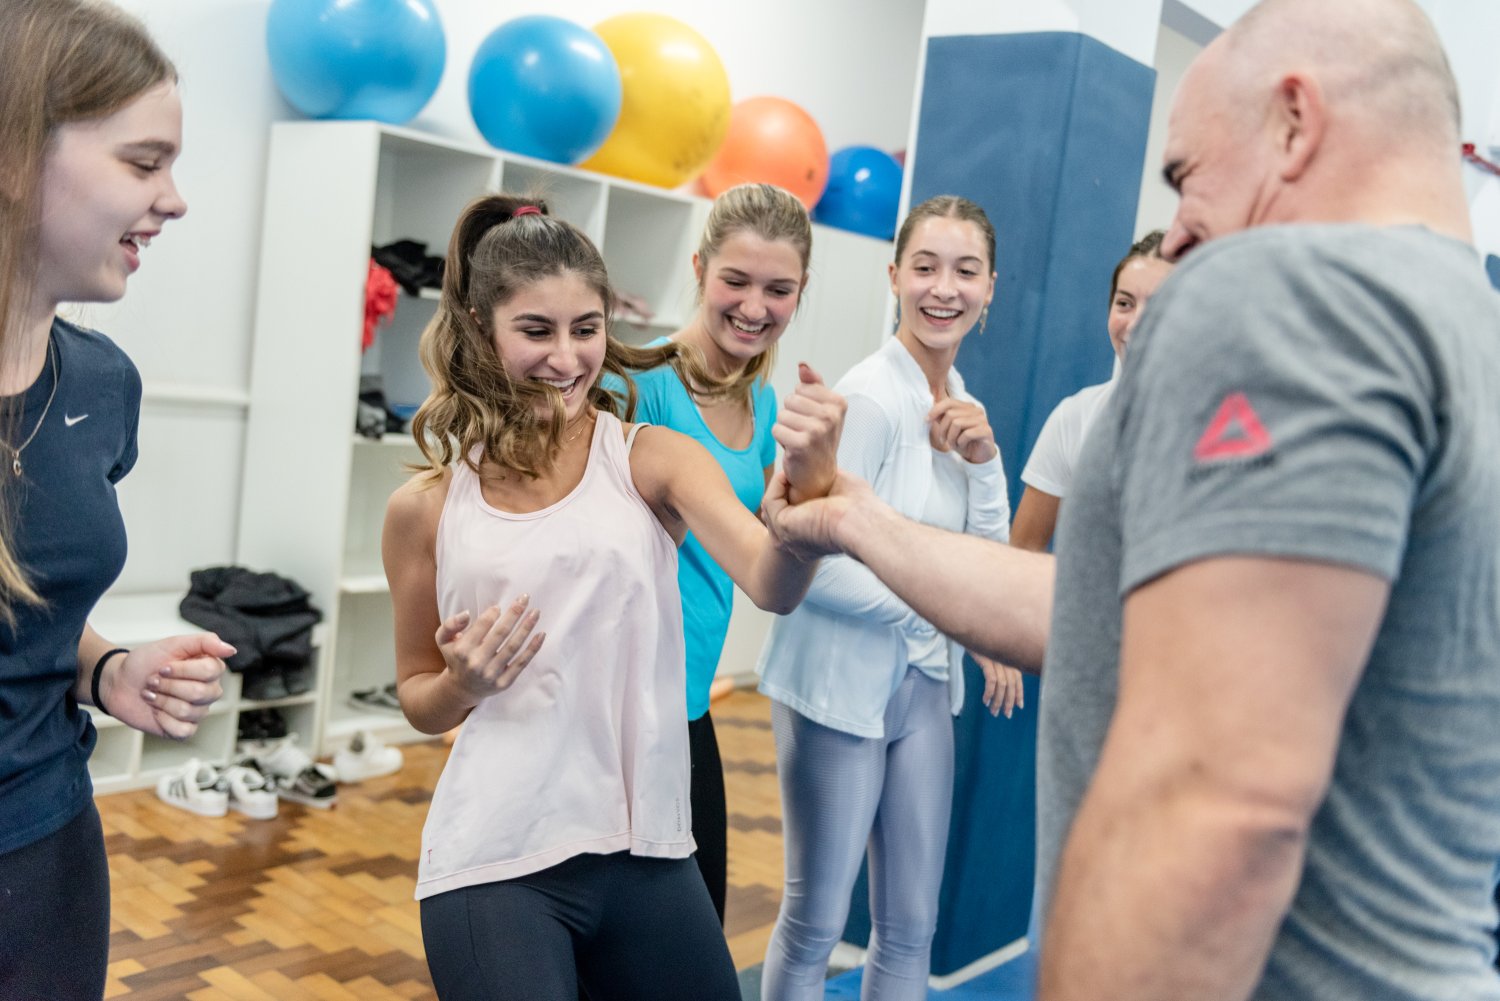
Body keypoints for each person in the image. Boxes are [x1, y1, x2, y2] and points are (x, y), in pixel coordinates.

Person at [761, 1, 1500, 998]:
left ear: (1295, 121)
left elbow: (1218, 793)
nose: (1180, 230)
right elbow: (1112, 613)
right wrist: (855, 517)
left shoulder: (1302, 300)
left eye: (1187, 176)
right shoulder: (1468, 326)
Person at [380, 194, 844, 1001]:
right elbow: (419, 696)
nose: (566, 358)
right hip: (496, 857)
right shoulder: (423, 508)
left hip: (643, 850)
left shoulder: (652, 458)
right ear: (483, 329)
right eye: (536, 330)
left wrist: (812, 491)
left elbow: (772, 582)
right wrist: (461, 684)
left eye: (586, 329)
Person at [0, 2, 232, 996]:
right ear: (16, 153)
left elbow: (29, 610)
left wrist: (105, 669)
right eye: (144, 162)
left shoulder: (102, 384)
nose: (173, 200)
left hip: (48, 847)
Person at [756, 195, 1020, 1001]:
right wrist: (942, 606)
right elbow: (812, 565)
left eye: (966, 271)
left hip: (923, 684)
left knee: (910, 925)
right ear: (895, 274)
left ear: (990, 287)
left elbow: (987, 558)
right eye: (926, 267)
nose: (944, 288)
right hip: (836, 686)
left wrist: (984, 460)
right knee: (816, 921)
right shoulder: (868, 396)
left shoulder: (958, 397)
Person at [621, 182, 811, 923]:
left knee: (703, 923)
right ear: (699, 268)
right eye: (736, 280)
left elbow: (761, 532)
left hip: (690, 697)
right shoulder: (639, 384)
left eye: (778, 289)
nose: (754, 306)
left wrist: (818, 482)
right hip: (625, 706)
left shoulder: (761, 401)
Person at [1010, 230, 1172, 551]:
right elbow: (1022, 550)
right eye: (1124, 303)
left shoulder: (1222, 428)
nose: (1136, 323)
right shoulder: (1074, 417)